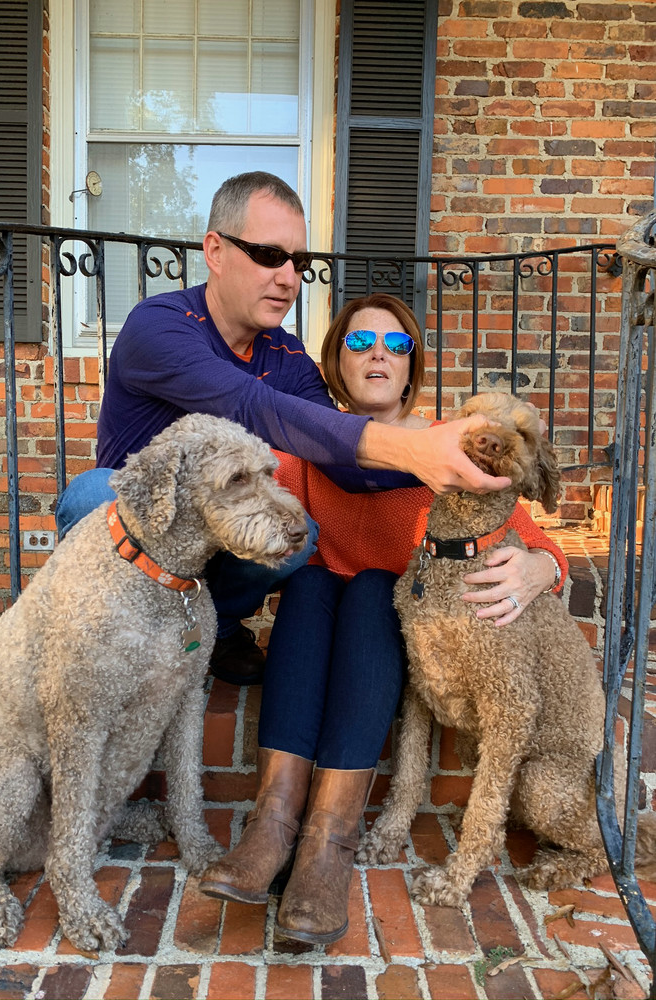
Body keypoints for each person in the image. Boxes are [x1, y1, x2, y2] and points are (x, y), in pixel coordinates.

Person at [199, 293, 568, 946]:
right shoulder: (308, 443)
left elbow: (541, 543)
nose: (379, 355)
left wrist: (542, 568)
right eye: (360, 342)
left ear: (410, 366)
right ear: (336, 363)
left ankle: (329, 841)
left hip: (387, 626)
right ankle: (273, 823)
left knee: (374, 586)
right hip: (317, 621)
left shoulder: (448, 449)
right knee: (310, 582)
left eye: (397, 345)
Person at [55, 171, 513, 685]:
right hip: (143, 533)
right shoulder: (159, 325)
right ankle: (101, 634)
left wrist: (461, 458)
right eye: (270, 255)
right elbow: (250, 404)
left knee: (301, 535)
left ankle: (217, 624)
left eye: (299, 261)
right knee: (94, 493)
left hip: (222, 542)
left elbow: (341, 461)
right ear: (215, 251)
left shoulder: (288, 357)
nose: (289, 278)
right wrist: (413, 448)